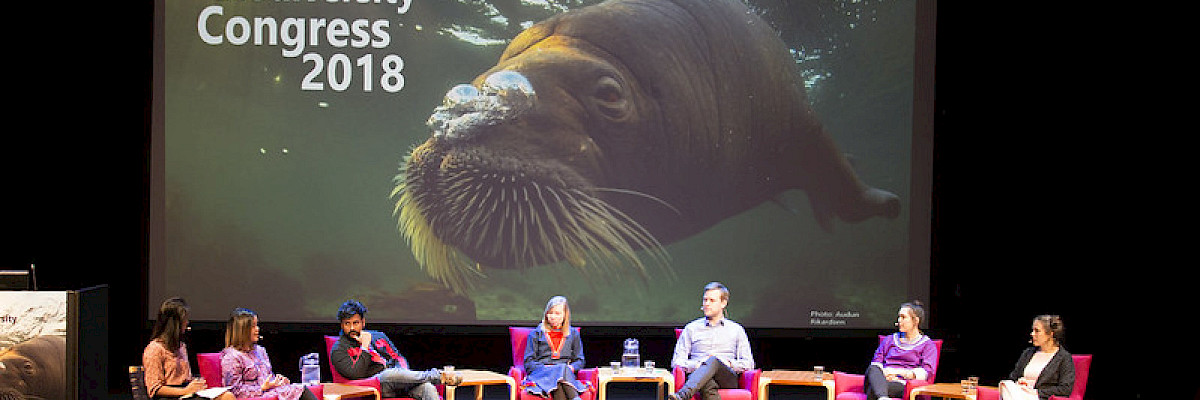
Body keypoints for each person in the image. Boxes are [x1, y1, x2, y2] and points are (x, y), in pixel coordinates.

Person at [329, 300, 461, 400]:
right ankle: (439, 376)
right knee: (389, 375)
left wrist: (404, 374)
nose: (352, 328)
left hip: (399, 380)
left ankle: (436, 377)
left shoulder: (378, 336)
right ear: (342, 324)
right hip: (375, 385)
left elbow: (398, 358)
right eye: (347, 324)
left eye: (355, 323)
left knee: (427, 388)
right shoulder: (339, 349)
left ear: (363, 322)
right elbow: (355, 374)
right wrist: (364, 347)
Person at [668, 282, 754, 400]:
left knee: (713, 360)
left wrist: (728, 363)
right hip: (698, 377)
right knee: (707, 382)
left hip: (727, 379)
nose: (707, 304)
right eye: (705, 300)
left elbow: (748, 363)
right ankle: (687, 391)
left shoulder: (736, 330)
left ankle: (684, 394)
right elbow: (677, 362)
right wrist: (699, 365)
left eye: (712, 300)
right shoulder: (691, 328)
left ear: (723, 303)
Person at [141, 297, 234, 400]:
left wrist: (196, 384)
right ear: (175, 324)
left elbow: (185, 377)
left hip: (186, 393)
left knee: (226, 396)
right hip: (170, 396)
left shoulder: (180, 346)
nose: (187, 322)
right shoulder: (154, 349)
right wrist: (185, 391)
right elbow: (154, 389)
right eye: (184, 319)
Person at [219, 308, 319, 400]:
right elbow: (234, 391)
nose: (257, 329)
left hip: (268, 392)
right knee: (299, 390)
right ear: (242, 331)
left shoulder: (260, 350)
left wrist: (278, 381)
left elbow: (268, 377)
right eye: (253, 326)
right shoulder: (232, 357)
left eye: (257, 325)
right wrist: (262, 388)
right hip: (254, 396)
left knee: (299, 388)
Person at [862, 301, 938, 400]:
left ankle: (882, 396)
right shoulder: (889, 339)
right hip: (882, 378)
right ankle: (883, 397)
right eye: (899, 317)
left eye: (903, 317)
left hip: (903, 383)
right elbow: (877, 362)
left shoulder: (927, 345)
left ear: (916, 321)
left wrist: (897, 373)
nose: (899, 320)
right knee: (873, 369)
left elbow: (926, 373)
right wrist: (884, 374)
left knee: (874, 390)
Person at [522, 296, 589, 400]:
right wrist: (550, 369)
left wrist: (571, 368)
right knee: (560, 369)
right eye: (550, 313)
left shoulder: (573, 334)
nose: (552, 316)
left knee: (560, 380)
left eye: (557, 313)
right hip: (542, 374)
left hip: (564, 376)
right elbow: (528, 362)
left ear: (565, 315)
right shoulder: (536, 334)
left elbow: (580, 360)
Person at [998, 315, 1075, 400]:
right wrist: (1019, 382)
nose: (1032, 334)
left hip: (1039, 397)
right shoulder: (1028, 353)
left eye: (1037, 331)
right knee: (1006, 384)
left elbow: (1065, 389)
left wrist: (1036, 392)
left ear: (1050, 334)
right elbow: (1013, 378)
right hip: (1019, 393)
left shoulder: (1064, 358)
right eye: (1032, 330)